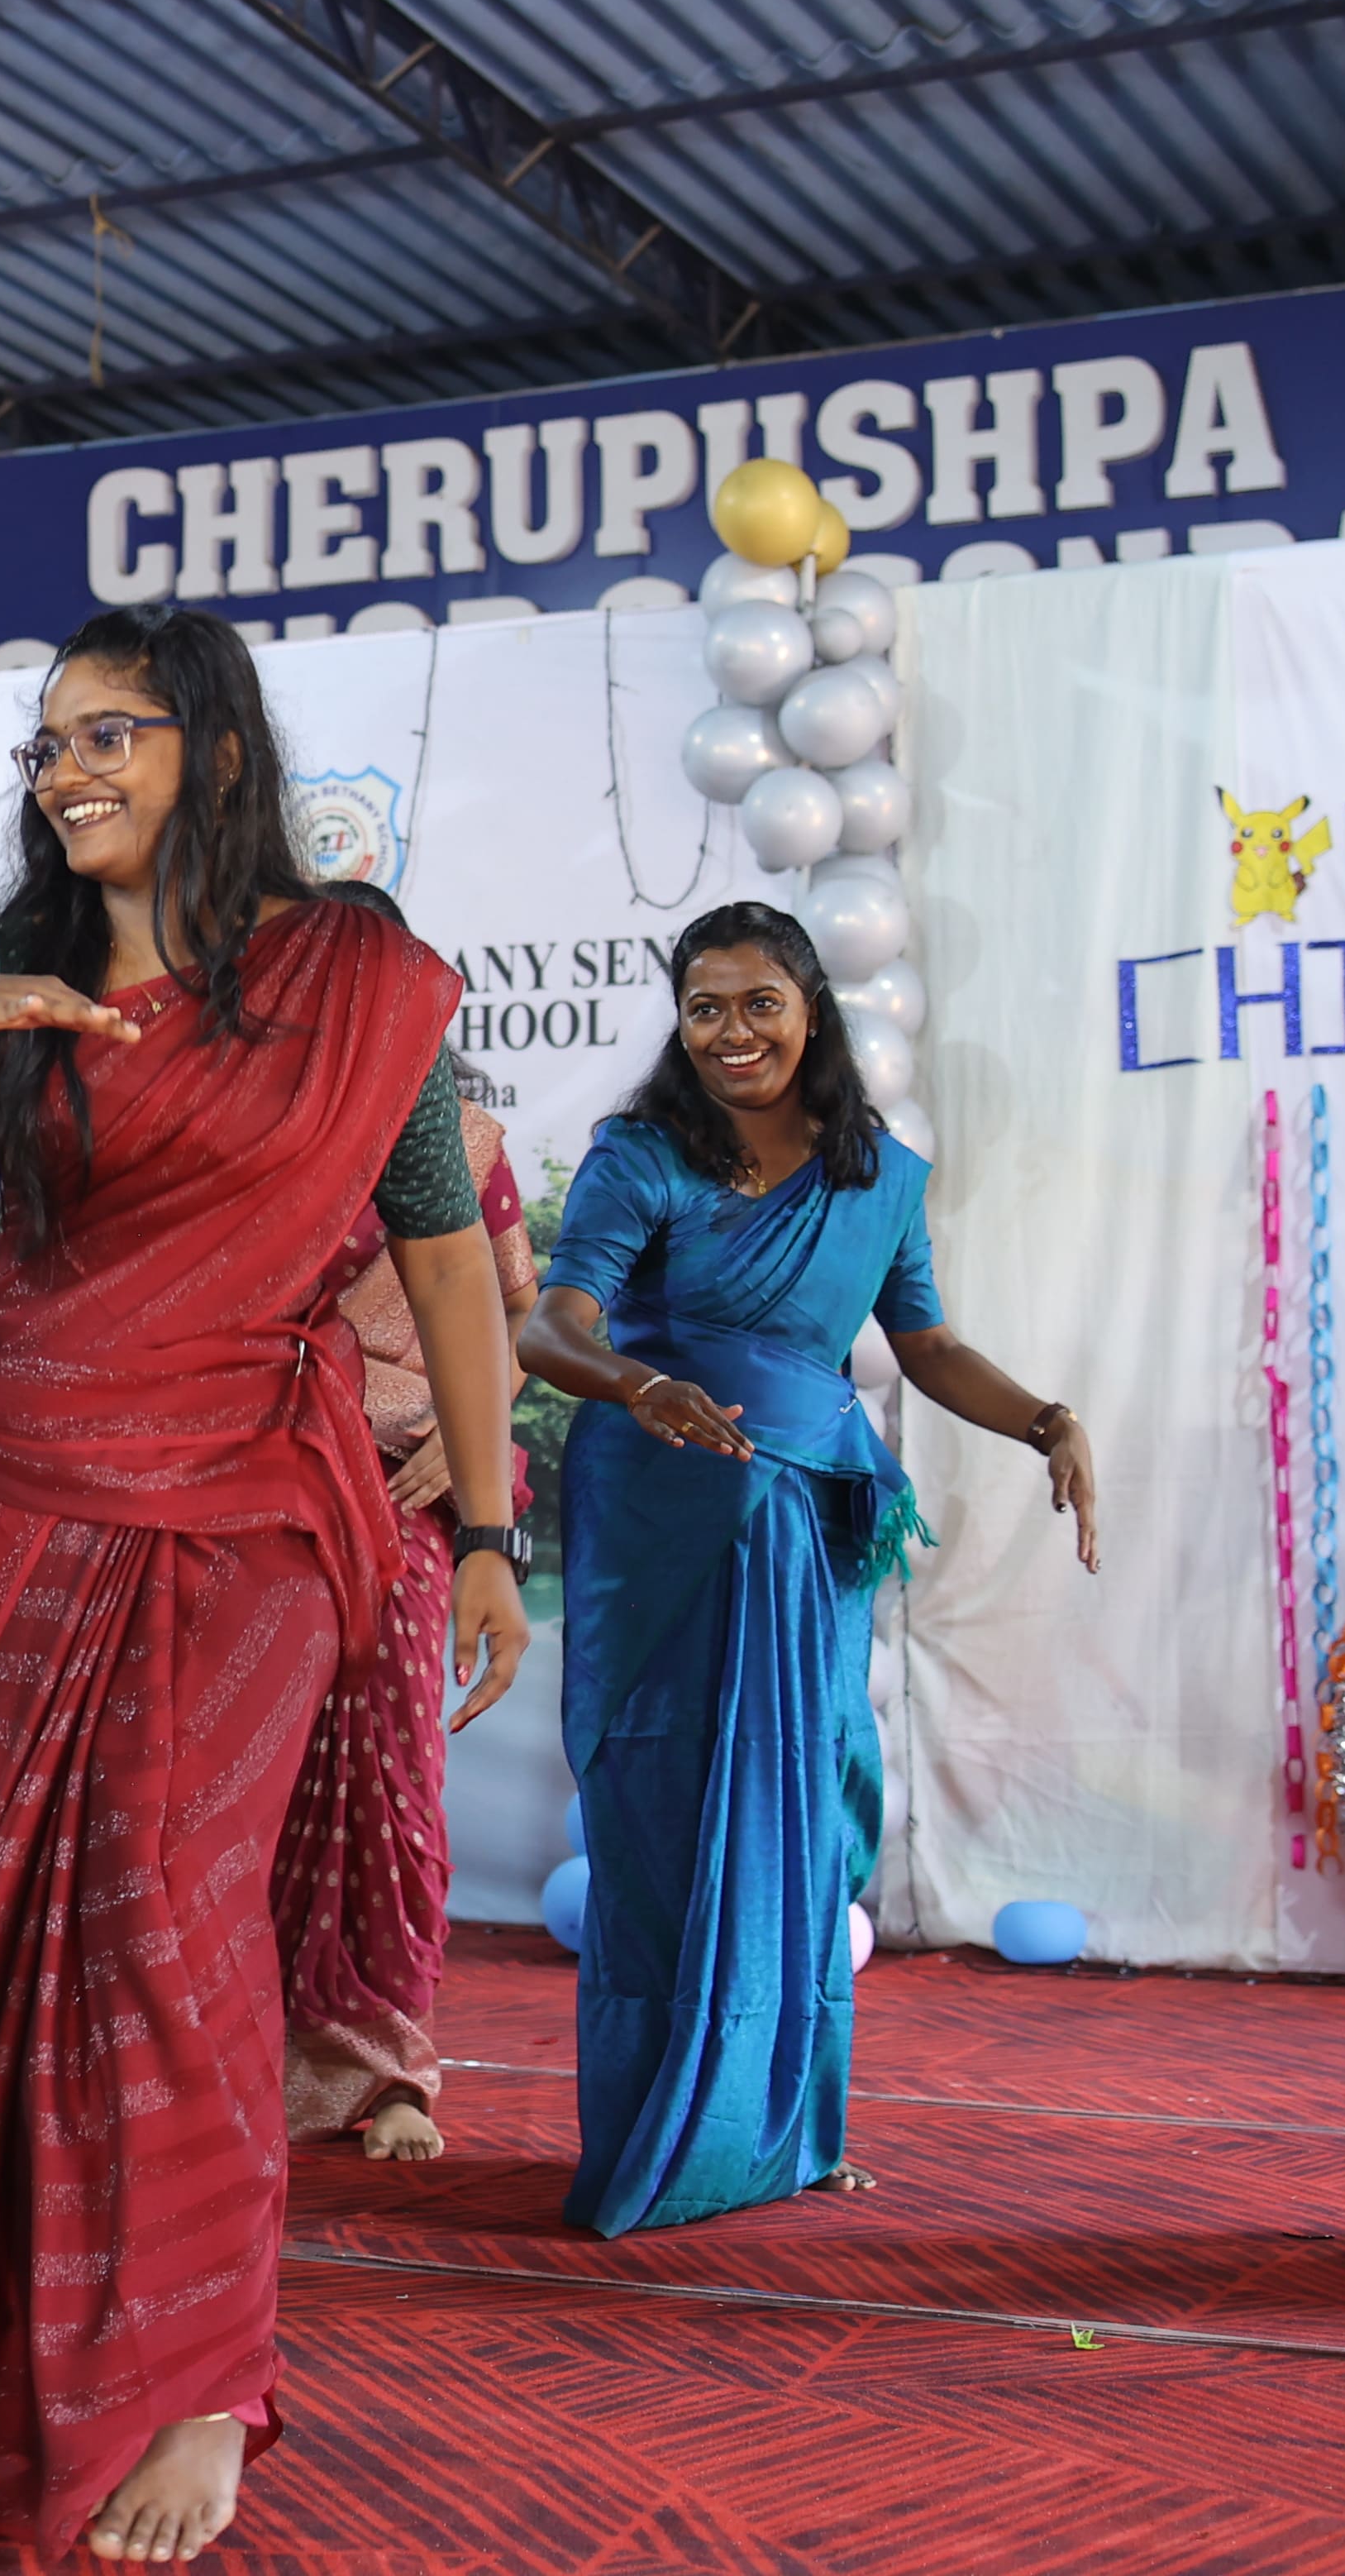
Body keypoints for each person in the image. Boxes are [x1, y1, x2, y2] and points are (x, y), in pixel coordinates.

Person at [0, 602, 530, 2567]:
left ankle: (196, 2380)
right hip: (23, 1496)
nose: (71, 766)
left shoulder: (352, 978)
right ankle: (3, 2345)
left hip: (248, 1510)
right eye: (52, 739)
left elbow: (445, 1261)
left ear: (218, 752)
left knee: (167, 1917)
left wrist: (489, 1528)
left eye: (116, 731)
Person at [518, 901, 1093, 2238]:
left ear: (811, 1009)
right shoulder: (640, 1156)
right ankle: (664, 2130)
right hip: (665, 1516)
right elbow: (551, 1327)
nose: (732, 1031)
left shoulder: (879, 1176)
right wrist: (639, 1382)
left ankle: (785, 2128)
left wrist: (1047, 1421)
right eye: (705, 1007)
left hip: (809, 1525)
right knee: (666, 1812)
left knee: (800, 1806)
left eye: (759, 1003)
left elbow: (926, 1346)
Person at [269, 1092, 535, 2163]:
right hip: (248, 1465)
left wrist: (469, 1443)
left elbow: (514, 1319)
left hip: (404, 1481)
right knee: (233, 1768)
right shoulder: (255, 1109)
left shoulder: (454, 1138)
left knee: (389, 1774)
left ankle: (387, 2070)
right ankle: (224, 2054)